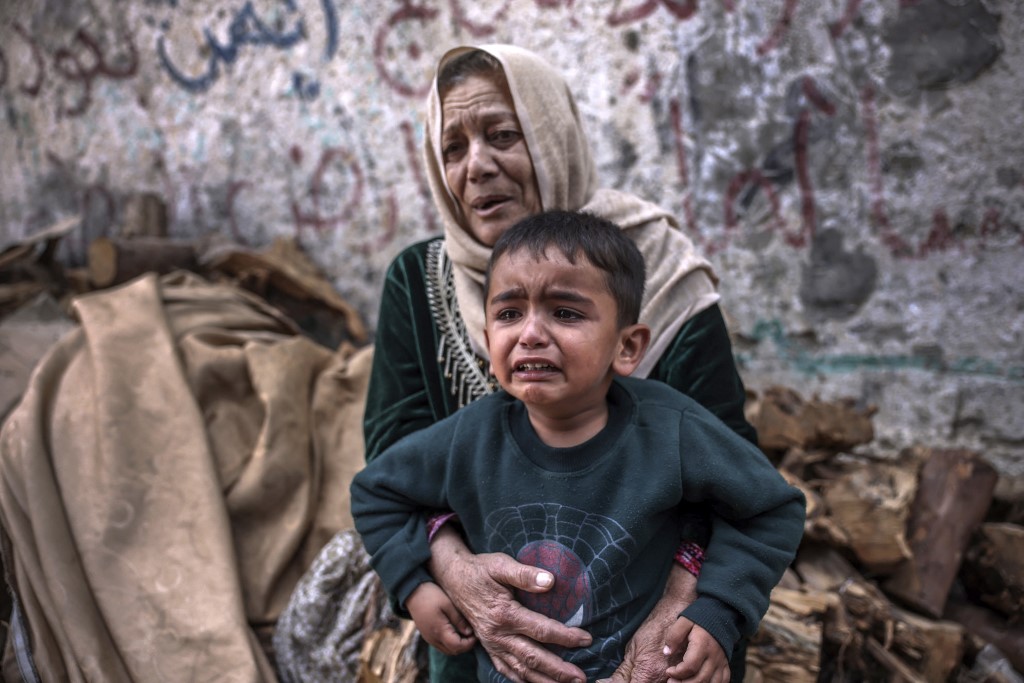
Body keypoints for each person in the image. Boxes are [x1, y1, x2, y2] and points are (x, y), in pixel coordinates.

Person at [363, 44, 761, 683]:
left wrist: (683, 602)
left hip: (646, 605)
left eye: (502, 135)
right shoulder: (420, 279)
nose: (479, 166)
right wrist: (454, 569)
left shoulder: (654, 269)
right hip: (487, 622)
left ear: (553, 137)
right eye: (453, 148)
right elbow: (391, 459)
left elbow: (738, 477)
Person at [353, 211, 806, 683]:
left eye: (565, 312)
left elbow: (772, 510)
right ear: (489, 344)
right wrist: (415, 585)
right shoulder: (467, 438)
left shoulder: (672, 431)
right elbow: (375, 494)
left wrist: (717, 611)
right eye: (509, 313)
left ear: (627, 348)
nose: (530, 334)